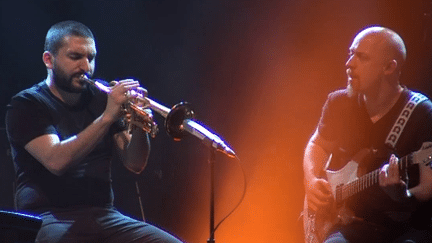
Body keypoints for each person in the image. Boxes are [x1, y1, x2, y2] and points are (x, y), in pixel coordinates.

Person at [5, 20, 183, 243]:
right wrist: (108, 117)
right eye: (75, 57)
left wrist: (139, 124)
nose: (86, 67)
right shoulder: (27, 104)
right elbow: (56, 161)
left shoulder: (101, 99)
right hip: (49, 218)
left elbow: (135, 163)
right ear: (48, 60)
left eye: (90, 58)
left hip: (104, 215)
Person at [303, 26, 432, 242]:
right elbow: (317, 145)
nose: (349, 64)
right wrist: (311, 181)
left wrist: (404, 196)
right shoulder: (339, 102)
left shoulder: (422, 113)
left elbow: (428, 185)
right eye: (350, 54)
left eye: (361, 57)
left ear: (389, 67)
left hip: (403, 228)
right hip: (350, 222)